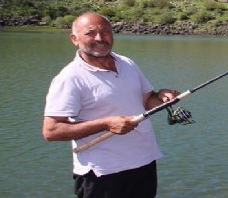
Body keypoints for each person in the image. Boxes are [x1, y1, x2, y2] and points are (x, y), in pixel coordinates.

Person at [43, 12, 180, 198]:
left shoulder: (127, 63)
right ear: (74, 39)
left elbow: (147, 101)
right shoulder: (69, 78)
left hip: (144, 164)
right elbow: (51, 131)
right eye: (90, 33)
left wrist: (163, 96)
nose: (100, 38)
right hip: (103, 173)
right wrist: (106, 124)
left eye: (105, 31)